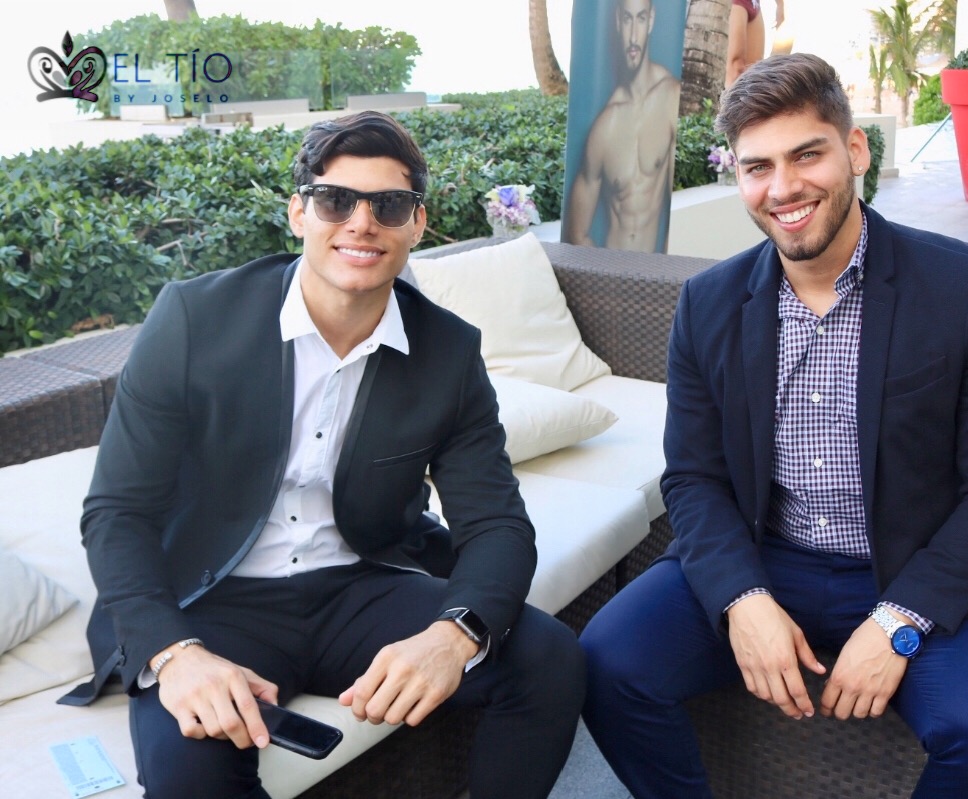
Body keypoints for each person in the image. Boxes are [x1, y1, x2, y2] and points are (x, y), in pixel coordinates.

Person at [71, 110, 585, 799]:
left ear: (417, 224)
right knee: (188, 772)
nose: (361, 223)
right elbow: (117, 511)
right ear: (298, 213)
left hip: (361, 582)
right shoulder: (195, 318)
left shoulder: (448, 349)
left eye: (389, 205)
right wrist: (175, 654)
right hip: (212, 598)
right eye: (335, 200)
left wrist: (455, 633)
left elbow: (495, 522)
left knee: (549, 658)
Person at [579, 53, 968, 798]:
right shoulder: (708, 302)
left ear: (855, 149)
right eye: (757, 167)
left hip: (912, 562)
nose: (783, 188)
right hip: (766, 555)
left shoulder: (967, 287)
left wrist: (898, 621)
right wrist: (741, 598)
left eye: (807, 155)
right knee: (608, 662)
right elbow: (694, 477)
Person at [562, 0, 681, 252]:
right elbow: (577, 234)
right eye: (627, 19)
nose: (633, 36)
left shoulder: (670, 98)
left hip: (654, 267)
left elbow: (677, 211)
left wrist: (664, 271)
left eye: (640, 18)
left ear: (651, 20)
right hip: (612, 265)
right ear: (617, 22)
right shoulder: (604, 126)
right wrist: (603, 273)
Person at [725, 0, 787, 88]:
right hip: (736, 3)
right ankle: (727, 95)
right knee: (736, 66)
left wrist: (780, 5)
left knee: (753, 72)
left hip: (754, 4)